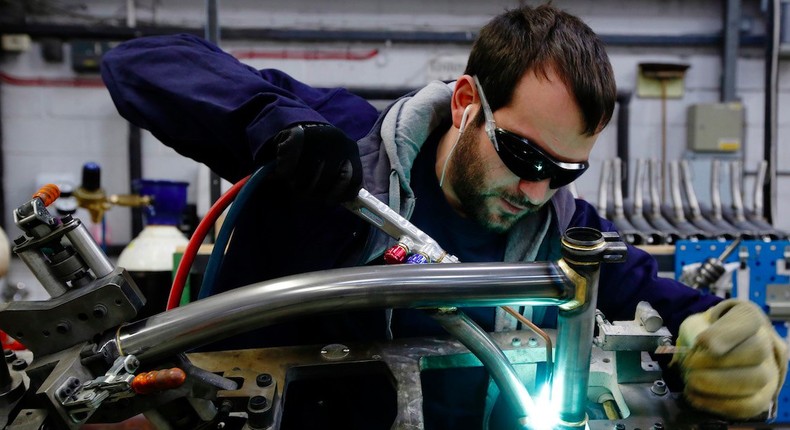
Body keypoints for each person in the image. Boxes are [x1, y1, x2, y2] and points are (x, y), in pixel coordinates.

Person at [100, 3, 786, 427]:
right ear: (465, 102)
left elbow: (664, 301)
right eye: (522, 154)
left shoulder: (558, 232)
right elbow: (138, 62)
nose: (536, 189)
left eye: (564, 170)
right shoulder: (344, 152)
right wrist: (272, 126)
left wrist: (724, 336)